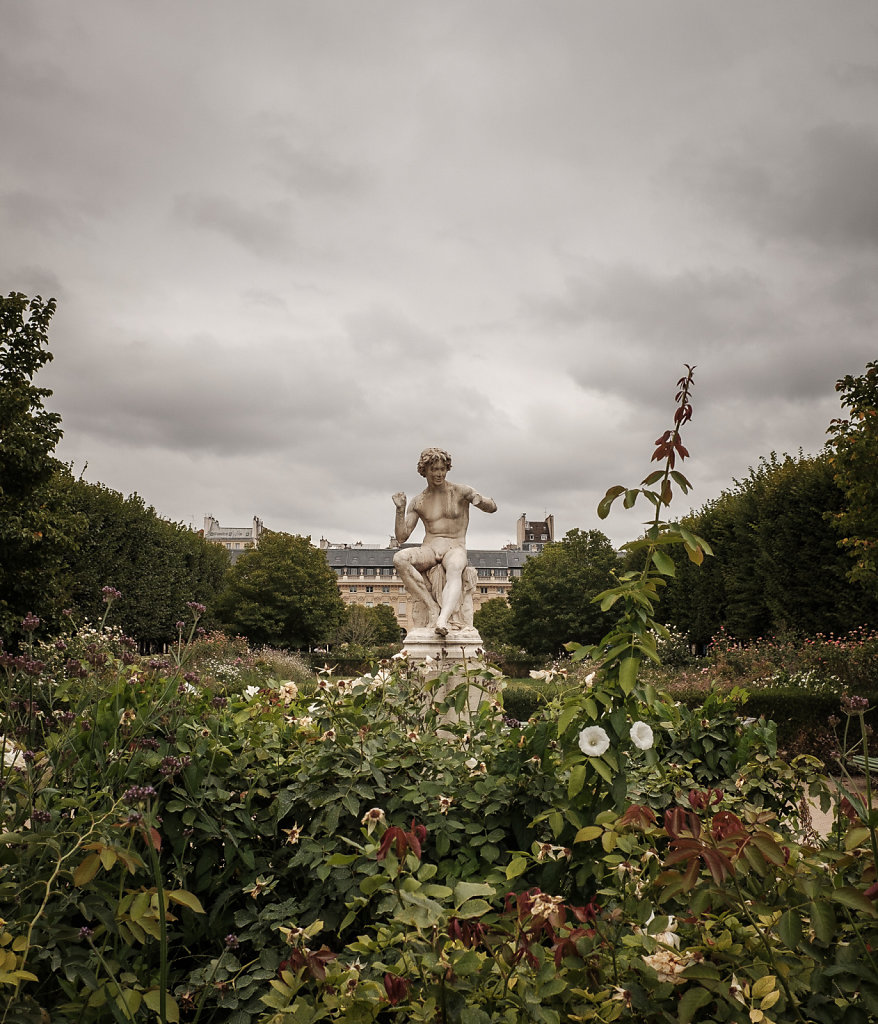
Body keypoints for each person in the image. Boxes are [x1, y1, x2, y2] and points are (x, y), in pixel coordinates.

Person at [392, 447, 497, 636]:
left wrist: (480, 500)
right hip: (430, 548)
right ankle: (432, 606)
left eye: (443, 469)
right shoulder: (418, 501)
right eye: (434, 469)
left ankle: (443, 619)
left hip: (455, 546)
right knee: (400, 559)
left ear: (447, 468)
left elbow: (492, 507)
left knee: (455, 567)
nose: (439, 474)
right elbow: (402, 537)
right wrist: (400, 510)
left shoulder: (461, 491)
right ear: (424, 471)